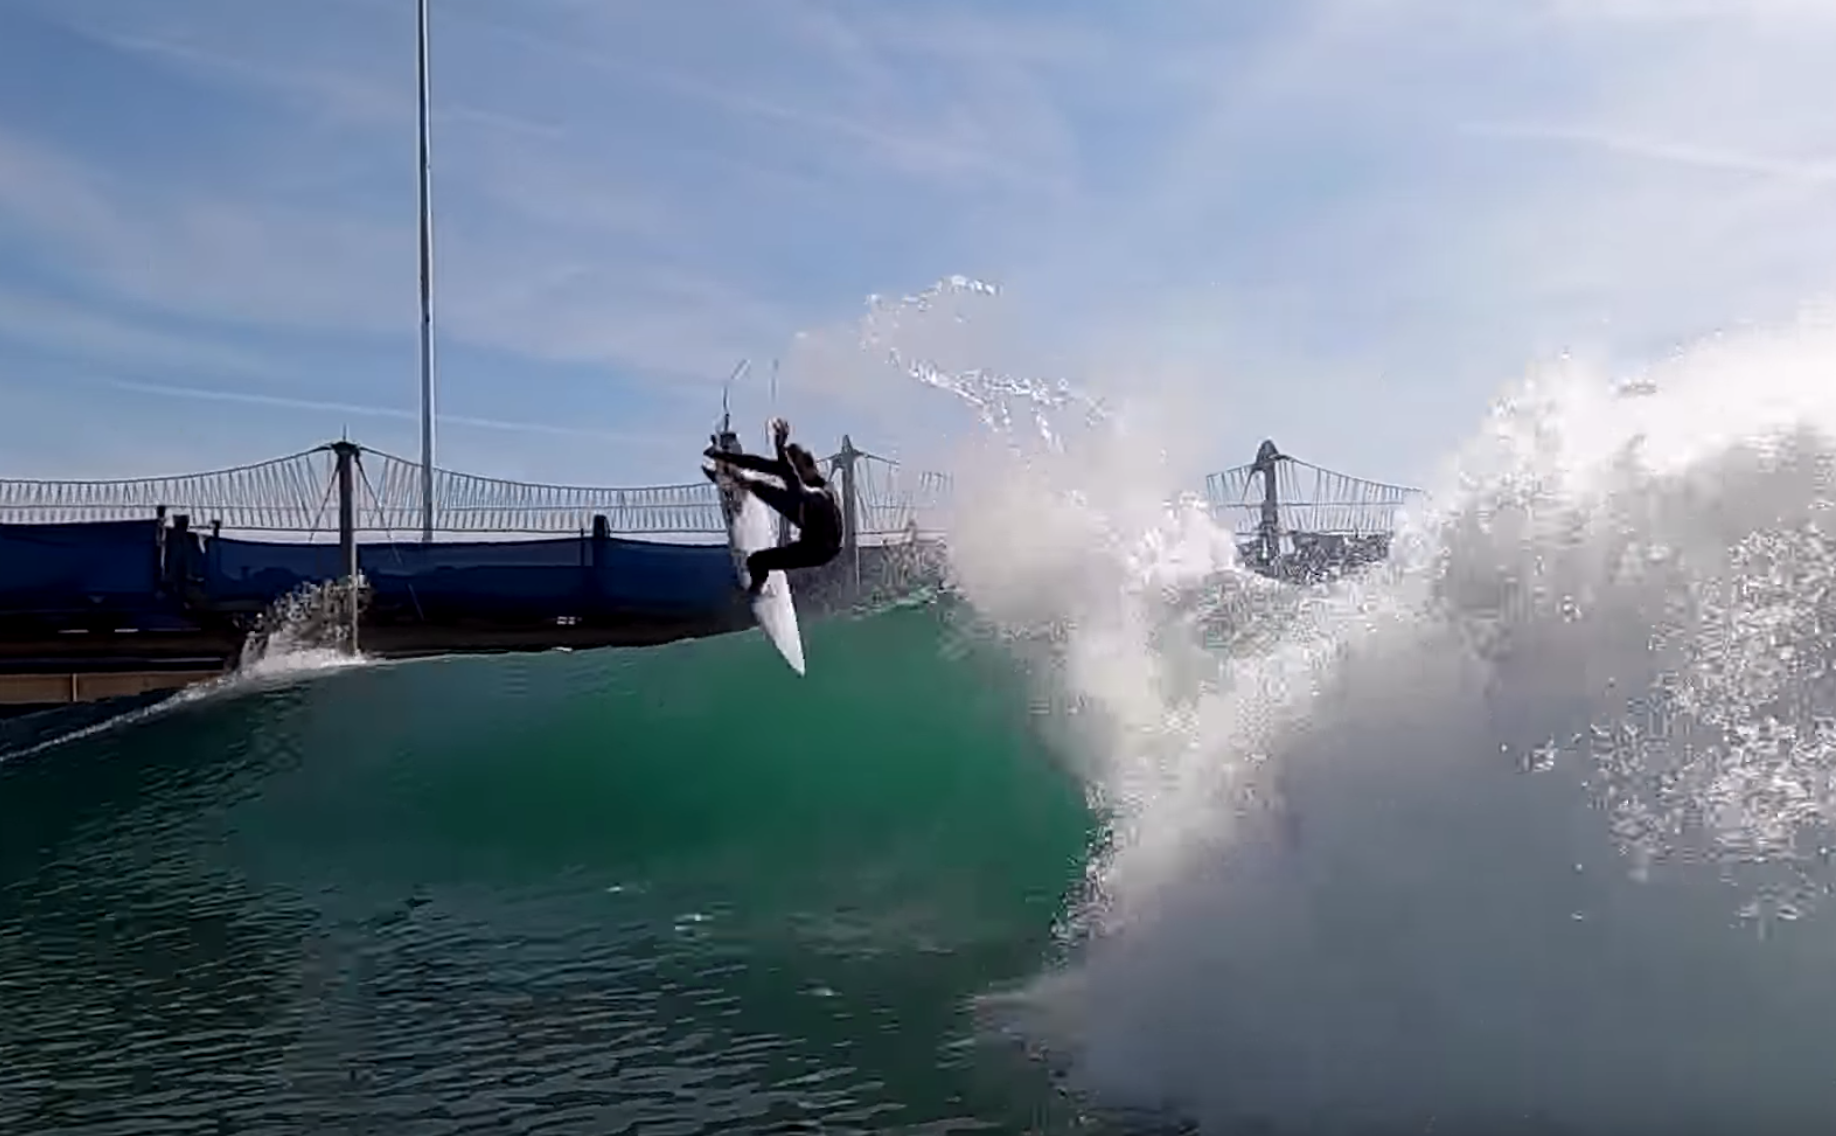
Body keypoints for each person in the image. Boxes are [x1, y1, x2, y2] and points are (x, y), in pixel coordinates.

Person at [703, 417, 844, 597]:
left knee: (756, 561)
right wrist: (720, 455)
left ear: (809, 469)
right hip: (805, 519)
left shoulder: (823, 493)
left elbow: (799, 489)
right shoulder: (793, 473)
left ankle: (757, 591)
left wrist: (779, 448)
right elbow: (755, 462)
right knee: (759, 487)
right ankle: (729, 477)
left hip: (820, 548)